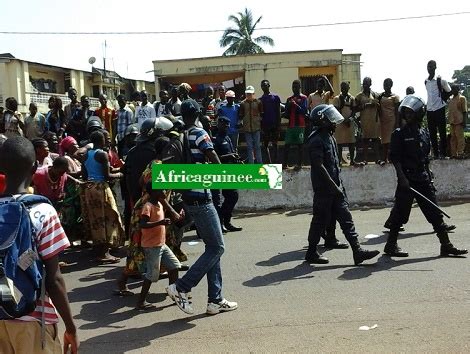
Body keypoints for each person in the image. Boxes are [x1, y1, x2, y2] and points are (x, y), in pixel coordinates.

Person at [0, 136, 78, 354]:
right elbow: (54, 279)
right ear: (35, 167)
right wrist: (70, 327)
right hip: (32, 319)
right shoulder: (43, 210)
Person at [166, 99, 238, 315]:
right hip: (202, 197)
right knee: (218, 248)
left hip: (189, 196)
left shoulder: (180, 134)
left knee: (212, 247)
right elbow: (213, 158)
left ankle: (215, 300)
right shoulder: (199, 132)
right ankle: (181, 286)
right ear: (197, 113)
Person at [384, 95, 467, 257]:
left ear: (419, 113)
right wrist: (402, 179)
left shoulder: (424, 133)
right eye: (406, 112)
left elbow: (425, 159)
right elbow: (395, 158)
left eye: (411, 112)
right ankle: (390, 246)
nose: (408, 115)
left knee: (435, 213)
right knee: (399, 214)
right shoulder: (399, 134)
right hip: (407, 180)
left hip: (423, 179)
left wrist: (429, 176)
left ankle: (446, 245)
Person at [304, 104, 380, 265]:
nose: (334, 122)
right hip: (324, 188)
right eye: (330, 119)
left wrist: (338, 185)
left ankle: (357, 251)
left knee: (346, 219)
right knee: (319, 221)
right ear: (322, 120)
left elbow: (334, 165)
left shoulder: (329, 136)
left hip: (335, 186)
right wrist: (332, 186)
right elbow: (319, 166)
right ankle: (311, 252)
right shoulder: (316, 139)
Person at [135, 183, 181, 310]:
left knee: (174, 266)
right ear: (154, 192)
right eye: (161, 189)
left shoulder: (159, 204)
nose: (164, 191)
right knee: (152, 275)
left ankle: (174, 293)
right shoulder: (148, 207)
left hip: (161, 244)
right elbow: (143, 224)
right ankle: (141, 302)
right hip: (151, 246)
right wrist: (160, 222)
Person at [81, 130, 124, 262]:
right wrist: (119, 175)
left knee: (95, 220)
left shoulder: (87, 154)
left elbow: (85, 175)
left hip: (89, 188)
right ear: (101, 140)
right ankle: (104, 253)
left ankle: (98, 248)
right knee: (108, 218)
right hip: (101, 188)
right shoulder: (103, 154)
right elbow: (108, 176)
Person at [212, 116, 243, 233]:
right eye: (224, 125)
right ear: (219, 125)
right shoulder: (215, 139)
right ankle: (221, 223)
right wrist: (229, 156)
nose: (226, 127)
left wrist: (236, 158)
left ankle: (227, 221)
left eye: (227, 125)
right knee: (221, 199)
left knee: (233, 196)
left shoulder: (228, 138)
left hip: (229, 170)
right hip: (220, 171)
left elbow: (231, 152)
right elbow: (213, 157)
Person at [425, 60, 452, 159]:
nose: (429, 68)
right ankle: (435, 154)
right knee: (432, 133)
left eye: (431, 66)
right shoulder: (426, 81)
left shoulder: (441, 81)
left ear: (435, 67)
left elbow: (449, 91)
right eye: (428, 66)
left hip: (439, 108)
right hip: (430, 110)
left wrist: (443, 101)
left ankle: (443, 153)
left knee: (442, 132)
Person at [333, 81, 361, 167]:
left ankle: (352, 160)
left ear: (348, 88)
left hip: (350, 122)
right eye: (342, 87)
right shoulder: (337, 98)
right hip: (340, 122)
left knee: (351, 142)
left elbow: (354, 110)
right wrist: (343, 120)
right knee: (339, 143)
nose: (344, 89)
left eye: (346, 87)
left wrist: (349, 119)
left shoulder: (352, 98)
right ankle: (339, 161)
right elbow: (336, 111)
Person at [355, 77, 381, 165]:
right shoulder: (359, 96)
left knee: (375, 140)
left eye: (367, 83)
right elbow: (355, 108)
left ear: (370, 84)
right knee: (365, 140)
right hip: (364, 120)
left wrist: (376, 104)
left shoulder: (375, 94)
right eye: (364, 83)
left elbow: (380, 106)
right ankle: (365, 159)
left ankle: (377, 159)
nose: (365, 84)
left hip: (374, 120)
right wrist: (365, 105)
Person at [283, 80, 308, 171]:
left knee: (300, 145)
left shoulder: (304, 98)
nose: (294, 88)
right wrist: (289, 106)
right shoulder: (289, 99)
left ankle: (299, 164)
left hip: (300, 125)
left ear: (300, 87)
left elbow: (304, 111)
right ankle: (284, 164)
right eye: (293, 87)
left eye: (296, 87)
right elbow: (285, 114)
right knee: (287, 145)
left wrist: (296, 105)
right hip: (291, 125)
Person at [239, 85, 263, 163]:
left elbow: (262, 114)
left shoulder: (258, 102)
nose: (249, 95)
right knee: (249, 147)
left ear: (253, 94)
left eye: (250, 93)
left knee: (257, 147)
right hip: (247, 128)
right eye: (247, 94)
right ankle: (251, 164)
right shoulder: (242, 103)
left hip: (256, 127)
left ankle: (259, 163)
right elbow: (241, 115)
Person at [378, 78, 400, 163]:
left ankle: (392, 158)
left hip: (392, 120)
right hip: (383, 121)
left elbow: (397, 111)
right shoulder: (380, 96)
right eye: (384, 84)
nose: (385, 86)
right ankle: (384, 158)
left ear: (391, 85)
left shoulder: (395, 97)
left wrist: (397, 123)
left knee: (391, 141)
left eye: (387, 84)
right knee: (384, 141)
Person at [260, 80, 282, 163]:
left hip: (274, 125)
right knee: (265, 145)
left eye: (265, 85)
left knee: (275, 144)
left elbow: (278, 112)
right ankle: (268, 162)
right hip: (265, 126)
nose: (264, 87)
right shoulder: (260, 100)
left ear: (269, 85)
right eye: (262, 85)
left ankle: (276, 161)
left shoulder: (275, 97)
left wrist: (279, 125)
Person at [448, 84, 467, 159]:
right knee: (453, 138)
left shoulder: (462, 98)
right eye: (452, 89)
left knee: (460, 138)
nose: (453, 91)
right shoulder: (451, 100)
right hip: (452, 121)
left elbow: (464, 111)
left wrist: (464, 121)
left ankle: (460, 153)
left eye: (455, 89)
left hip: (459, 121)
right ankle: (454, 154)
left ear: (458, 89)